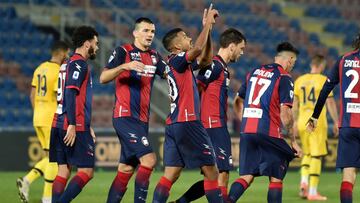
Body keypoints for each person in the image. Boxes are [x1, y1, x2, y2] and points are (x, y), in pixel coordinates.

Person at [152, 5, 223, 203]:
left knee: (171, 174)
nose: (189, 38)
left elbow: (206, 57)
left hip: (174, 124)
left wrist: (208, 30)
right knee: (212, 173)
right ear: (176, 46)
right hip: (188, 121)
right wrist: (207, 23)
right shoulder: (176, 60)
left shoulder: (181, 64)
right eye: (184, 36)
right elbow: (198, 49)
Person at [172, 28, 247, 202]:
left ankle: (180, 202)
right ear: (231, 46)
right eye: (241, 48)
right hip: (212, 125)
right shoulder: (215, 65)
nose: (242, 53)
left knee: (213, 176)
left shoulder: (223, 68)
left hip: (216, 124)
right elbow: (197, 86)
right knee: (222, 173)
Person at [100, 17, 168, 203]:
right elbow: (103, 77)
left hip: (142, 121)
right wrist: (124, 66)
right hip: (125, 116)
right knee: (149, 161)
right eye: (146, 31)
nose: (150, 35)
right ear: (135, 33)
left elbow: (171, 74)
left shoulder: (154, 57)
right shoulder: (123, 51)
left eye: (152, 32)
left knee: (126, 169)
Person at [229, 42, 302, 203]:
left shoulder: (254, 72)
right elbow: (286, 113)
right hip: (268, 132)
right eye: (293, 62)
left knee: (246, 176)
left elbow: (237, 100)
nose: (292, 66)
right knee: (276, 177)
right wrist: (293, 141)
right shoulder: (284, 77)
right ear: (289, 59)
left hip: (247, 130)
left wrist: (245, 119)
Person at [307, 33, 360, 203]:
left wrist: (315, 115)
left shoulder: (343, 60)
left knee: (348, 174)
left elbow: (326, 89)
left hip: (348, 126)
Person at [49, 25, 99, 203]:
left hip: (58, 122)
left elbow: (74, 97)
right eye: (96, 43)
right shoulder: (79, 63)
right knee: (87, 171)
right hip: (72, 124)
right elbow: (70, 93)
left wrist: (88, 124)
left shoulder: (66, 63)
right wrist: (72, 124)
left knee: (63, 171)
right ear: (87, 44)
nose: (97, 47)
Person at [17, 41, 70, 203]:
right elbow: (59, 97)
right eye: (67, 53)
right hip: (50, 118)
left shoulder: (39, 68)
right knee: (55, 158)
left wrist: (38, 113)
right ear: (62, 53)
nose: (67, 56)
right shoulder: (57, 70)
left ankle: (27, 181)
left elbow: (32, 96)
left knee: (49, 157)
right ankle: (47, 198)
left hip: (38, 117)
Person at [293, 54, 338, 200]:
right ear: (321, 66)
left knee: (307, 153)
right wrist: (337, 121)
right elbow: (330, 102)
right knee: (316, 156)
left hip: (301, 121)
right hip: (316, 121)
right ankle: (312, 192)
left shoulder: (300, 80)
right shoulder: (323, 80)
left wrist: (293, 123)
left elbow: (294, 105)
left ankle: (304, 183)